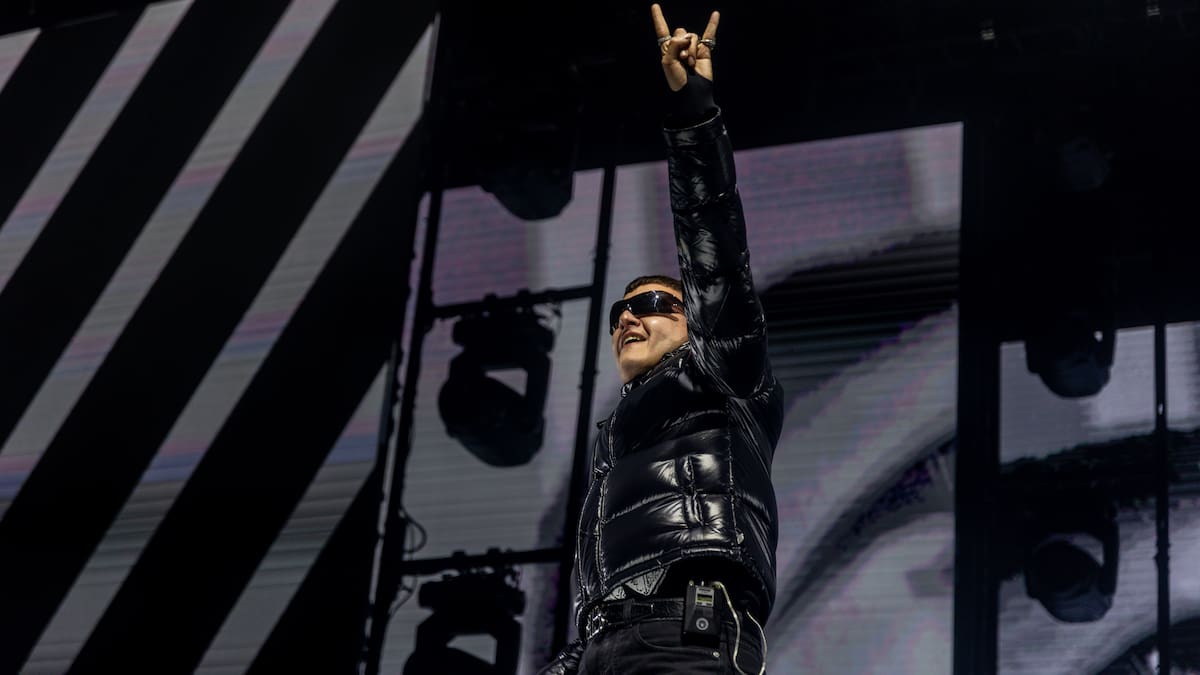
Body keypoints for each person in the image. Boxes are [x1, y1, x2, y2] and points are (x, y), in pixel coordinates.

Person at [539, 5, 783, 674]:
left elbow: (716, 255)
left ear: (695, 319)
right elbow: (610, 592)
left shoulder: (725, 375)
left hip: (686, 634)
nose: (628, 318)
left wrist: (692, 118)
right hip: (608, 646)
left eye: (650, 304)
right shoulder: (618, 438)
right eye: (619, 311)